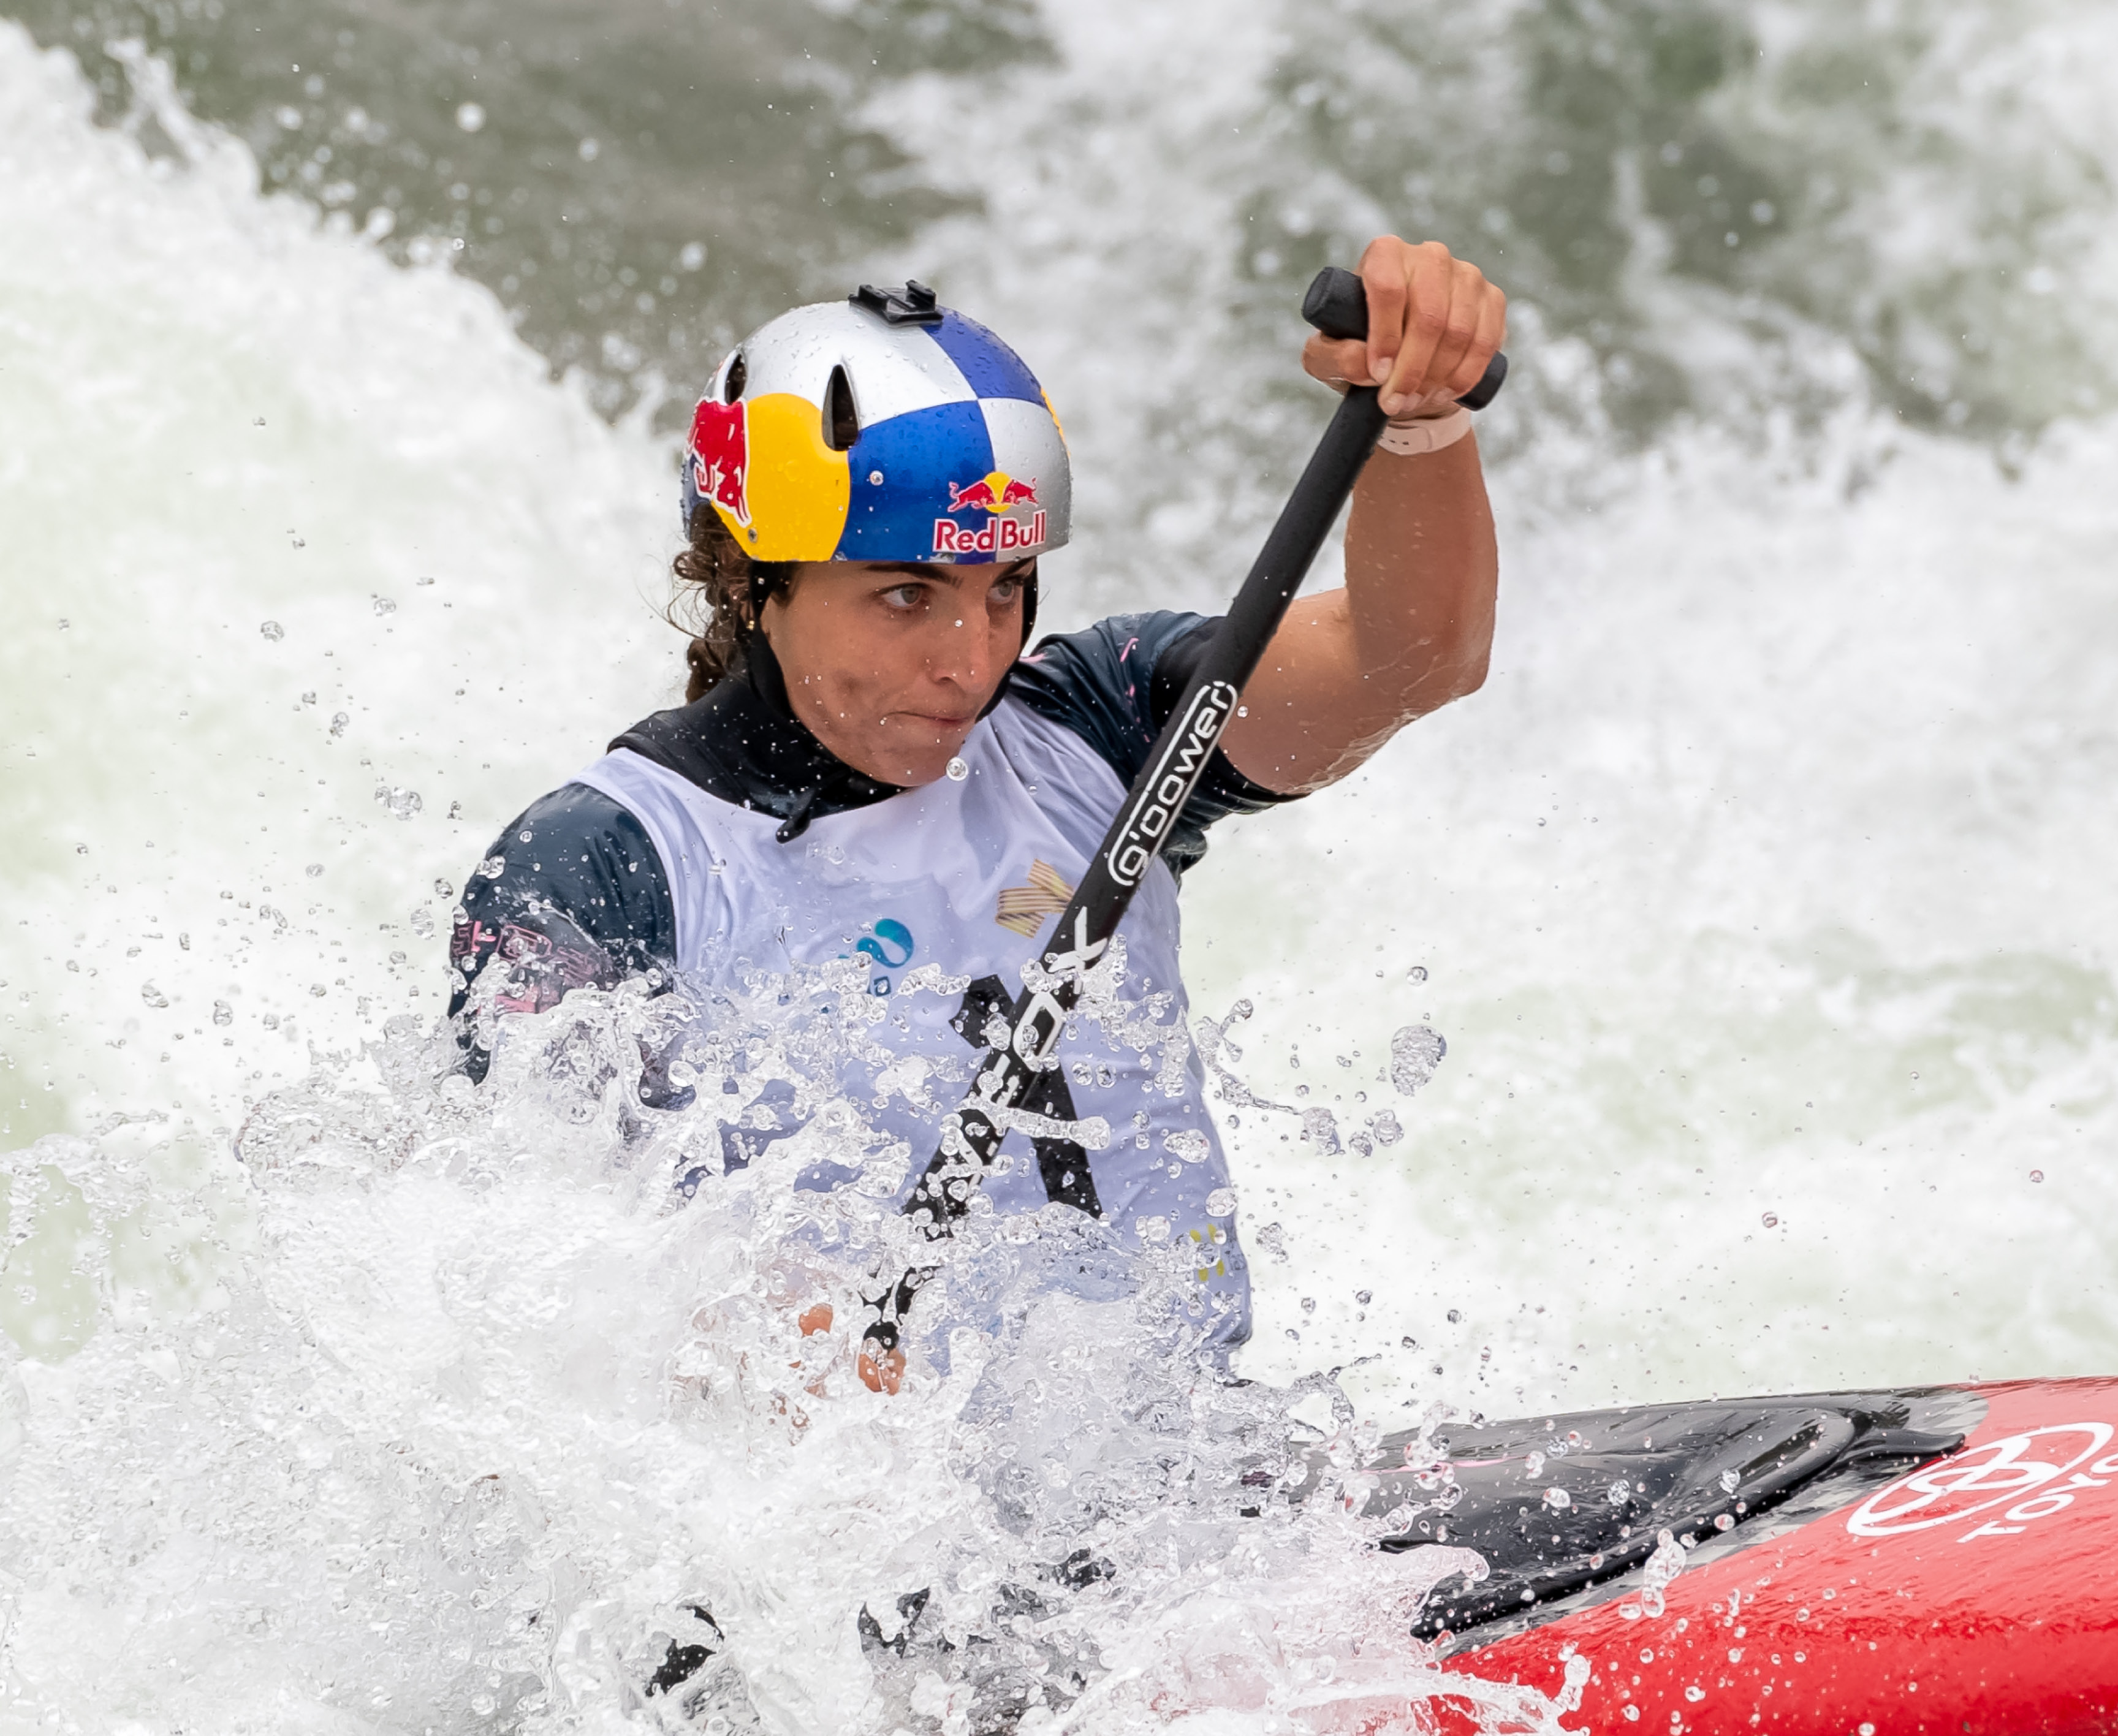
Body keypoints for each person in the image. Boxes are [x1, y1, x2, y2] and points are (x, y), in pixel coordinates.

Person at [446, 237, 1505, 1365]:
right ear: (753, 580)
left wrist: (1420, 420)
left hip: (1202, 1489)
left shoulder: (1099, 729)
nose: (971, 659)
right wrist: (742, 1327)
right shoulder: (603, 866)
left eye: (1005, 590)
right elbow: (506, 1272)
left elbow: (1414, 658)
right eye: (907, 594)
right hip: (866, 1519)